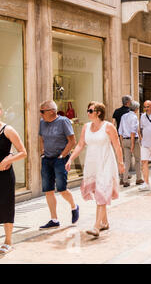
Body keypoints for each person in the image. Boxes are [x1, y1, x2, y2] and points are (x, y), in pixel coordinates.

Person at [66, 102, 124, 237]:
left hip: (106, 164)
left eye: (90, 110)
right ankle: (105, 223)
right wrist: (70, 159)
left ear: (98, 113)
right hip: (92, 165)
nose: (88, 113)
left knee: (101, 194)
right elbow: (80, 145)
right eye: (88, 110)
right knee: (99, 193)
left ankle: (96, 227)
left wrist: (121, 163)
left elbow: (117, 146)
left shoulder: (108, 127)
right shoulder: (86, 127)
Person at [38, 100, 79, 230]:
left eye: (42, 111)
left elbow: (72, 141)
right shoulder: (42, 122)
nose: (41, 114)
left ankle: (74, 206)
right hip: (47, 159)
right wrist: (42, 152)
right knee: (48, 190)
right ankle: (54, 219)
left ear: (52, 111)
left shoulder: (63, 121)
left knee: (62, 189)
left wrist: (62, 155)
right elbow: (41, 137)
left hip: (60, 159)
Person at [0, 103, 27, 255]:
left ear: (1, 112)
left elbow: (23, 152)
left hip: (4, 175)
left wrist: (7, 160)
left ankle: (8, 241)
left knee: (6, 206)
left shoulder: (7, 130)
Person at [118, 100, 143, 187]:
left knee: (127, 161)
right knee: (137, 159)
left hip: (124, 140)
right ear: (136, 109)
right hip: (134, 141)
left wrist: (122, 143)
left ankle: (125, 180)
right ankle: (139, 179)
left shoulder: (123, 116)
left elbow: (120, 131)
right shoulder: (134, 117)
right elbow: (133, 131)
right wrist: (132, 144)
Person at [113, 95, 131, 184]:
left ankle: (123, 175)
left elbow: (113, 123)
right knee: (127, 157)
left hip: (118, 135)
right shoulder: (129, 112)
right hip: (127, 136)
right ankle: (124, 176)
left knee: (120, 157)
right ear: (128, 102)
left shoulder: (116, 111)